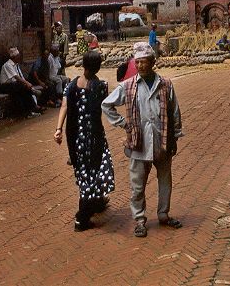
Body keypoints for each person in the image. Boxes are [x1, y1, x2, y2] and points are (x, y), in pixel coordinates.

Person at [102, 42, 183, 239]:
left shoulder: (165, 84)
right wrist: (124, 124)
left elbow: (174, 112)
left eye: (144, 62)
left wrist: (175, 136)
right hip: (139, 142)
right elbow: (106, 105)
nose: (140, 66)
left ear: (153, 62)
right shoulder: (128, 86)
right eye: (137, 63)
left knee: (165, 179)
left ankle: (163, 214)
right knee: (137, 184)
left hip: (162, 140)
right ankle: (139, 219)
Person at [54, 52, 114, 231]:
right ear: (97, 68)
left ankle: (96, 202)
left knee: (85, 173)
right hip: (94, 137)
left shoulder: (71, 85)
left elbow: (64, 106)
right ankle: (82, 217)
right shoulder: (101, 86)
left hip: (77, 139)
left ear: (83, 65)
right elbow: (108, 107)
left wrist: (58, 130)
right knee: (96, 172)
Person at [0, 47, 43, 118]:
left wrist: (28, 84)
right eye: (18, 56)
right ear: (14, 57)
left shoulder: (16, 65)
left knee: (23, 92)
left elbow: (21, 77)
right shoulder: (7, 65)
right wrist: (26, 83)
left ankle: (29, 110)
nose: (19, 58)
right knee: (24, 87)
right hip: (5, 86)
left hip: (15, 85)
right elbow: (16, 77)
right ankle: (34, 106)